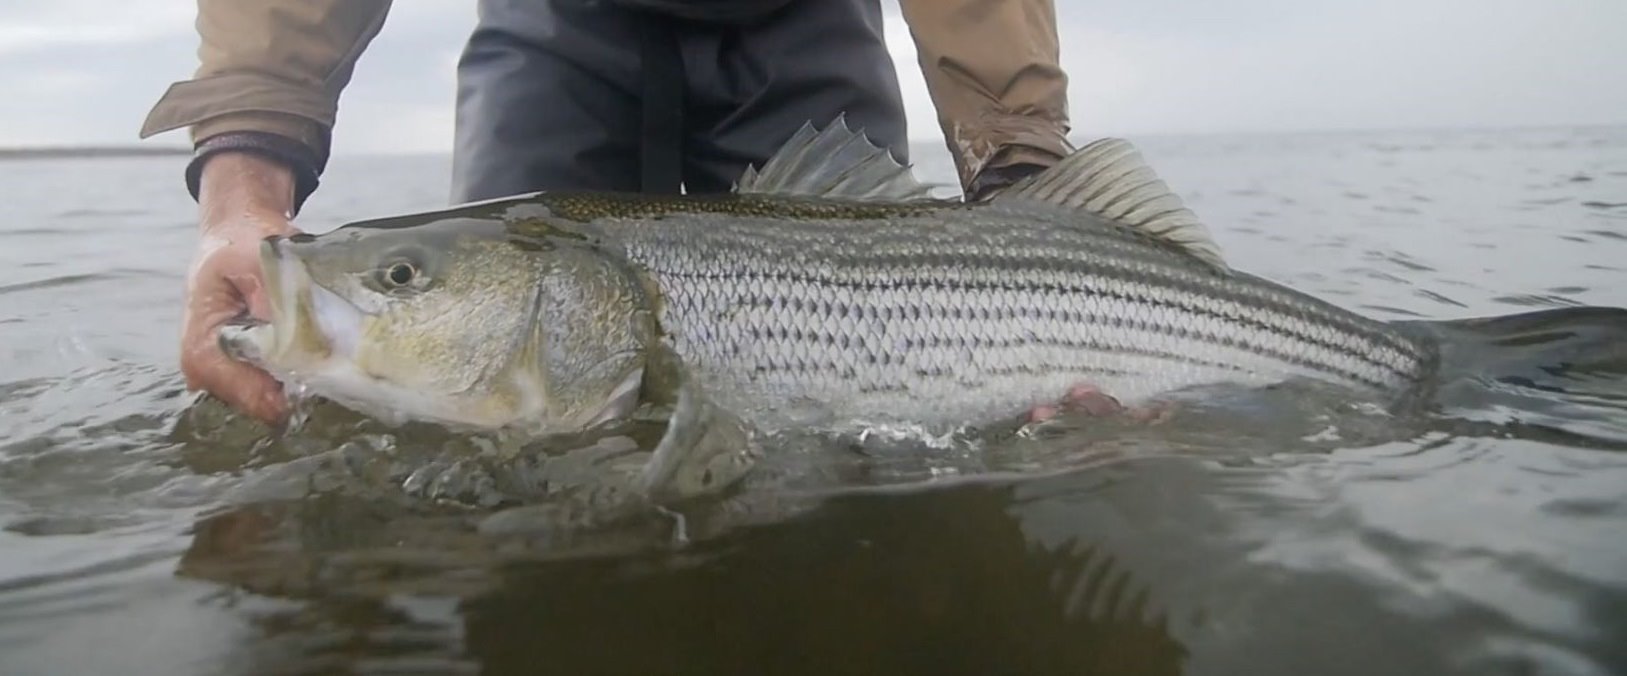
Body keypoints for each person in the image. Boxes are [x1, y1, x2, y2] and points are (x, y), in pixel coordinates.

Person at [139, 0, 1074, 425]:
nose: (389, 280)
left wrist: (1023, 169)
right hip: (558, 25)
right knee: (500, 435)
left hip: (806, 20)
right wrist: (244, 188)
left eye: (396, 277)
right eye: (400, 276)